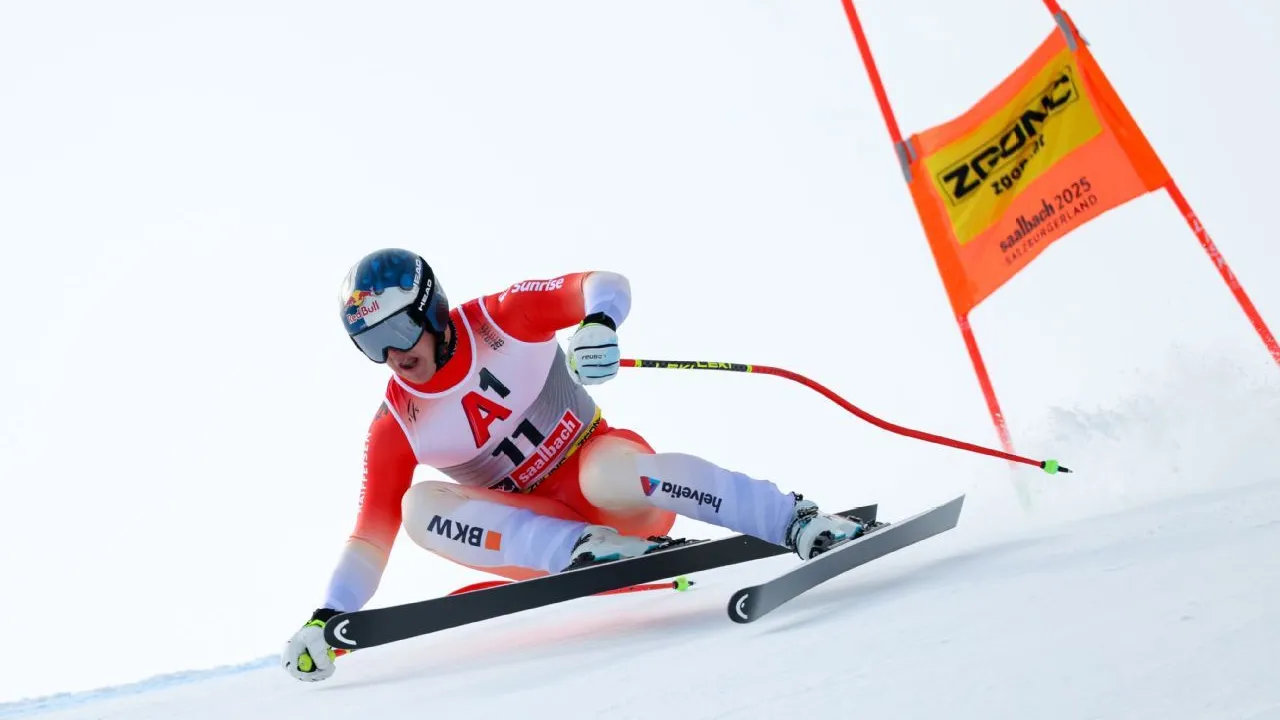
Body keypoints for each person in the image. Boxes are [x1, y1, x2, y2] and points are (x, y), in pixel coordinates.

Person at [281, 248, 871, 682]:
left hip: (611, 485)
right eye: (370, 343)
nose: (393, 354)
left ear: (432, 309)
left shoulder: (501, 319)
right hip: (544, 542)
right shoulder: (396, 422)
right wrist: (329, 616)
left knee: (603, 472)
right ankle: (586, 553)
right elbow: (370, 534)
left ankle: (799, 522)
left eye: (399, 328)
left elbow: (604, 282)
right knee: (417, 508)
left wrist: (599, 323)